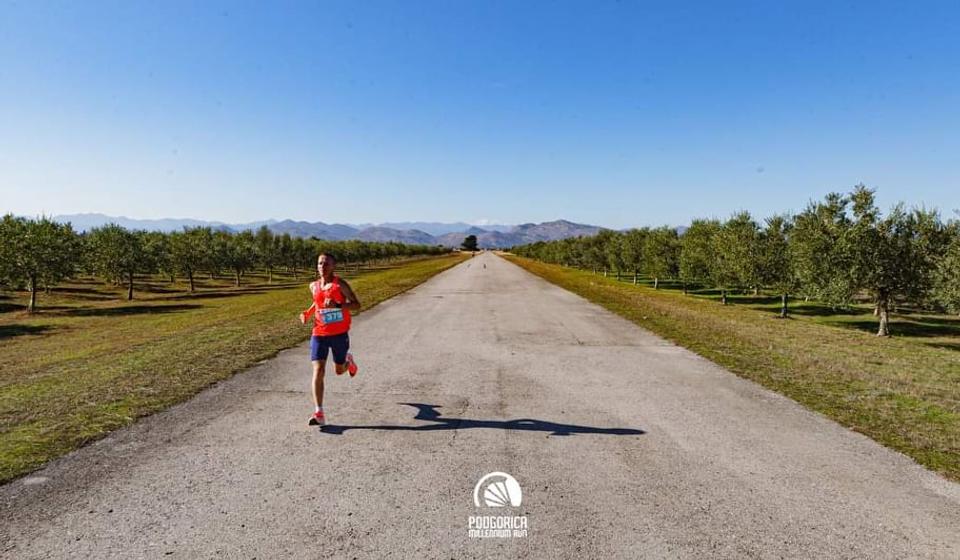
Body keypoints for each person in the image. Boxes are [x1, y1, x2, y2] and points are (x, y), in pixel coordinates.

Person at [298, 253, 361, 426]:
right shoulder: (313, 286)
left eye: (326, 263)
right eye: (319, 263)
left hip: (339, 334)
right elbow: (316, 304)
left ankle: (348, 361)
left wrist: (338, 305)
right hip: (319, 333)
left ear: (333, 266)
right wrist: (307, 313)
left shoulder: (340, 284)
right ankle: (319, 412)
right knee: (318, 369)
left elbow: (356, 304)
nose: (322, 267)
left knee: (339, 370)